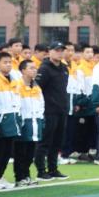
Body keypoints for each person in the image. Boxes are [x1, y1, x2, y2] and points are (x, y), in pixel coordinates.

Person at [34, 42, 70, 180]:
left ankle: (53, 169)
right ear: (49, 51)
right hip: (48, 110)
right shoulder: (44, 68)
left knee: (57, 142)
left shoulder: (64, 68)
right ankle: (41, 170)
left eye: (61, 50)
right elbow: (37, 89)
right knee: (45, 141)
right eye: (57, 50)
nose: (60, 53)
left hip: (61, 109)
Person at [0, 53, 20, 190]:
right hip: (1, 120)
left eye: (10, 62)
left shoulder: (14, 80)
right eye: (5, 62)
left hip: (12, 120)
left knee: (7, 151)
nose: (8, 64)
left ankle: (0, 176)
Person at [12, 59, 45, 186]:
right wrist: (19, 121)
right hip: (23, 123)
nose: (34, 70)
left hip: (35, 123)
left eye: (35, 68)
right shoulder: (17, 85)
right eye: (31, 68)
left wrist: (40, 120)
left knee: (30, 152)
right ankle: (19, 177)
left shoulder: (36, 86)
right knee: (21, 151)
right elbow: (16, 105)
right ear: (23, 70)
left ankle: (26, 175)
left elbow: (41, 104)